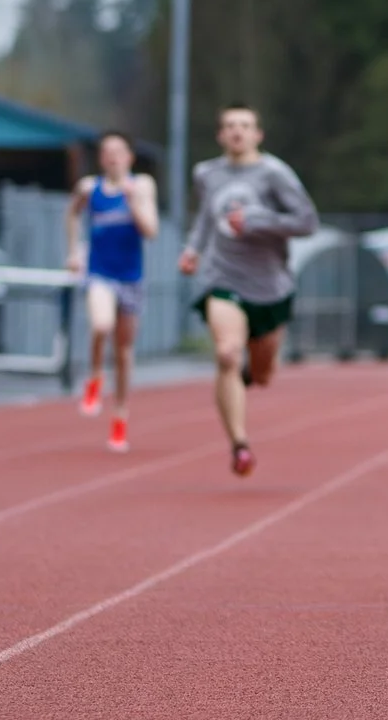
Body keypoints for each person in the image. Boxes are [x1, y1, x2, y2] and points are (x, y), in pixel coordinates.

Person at [178, 104, 319, 477]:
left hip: (270, 284)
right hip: (222, 276)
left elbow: (307, 222)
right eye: (230, 126)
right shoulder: (207, 173)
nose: (237, 132)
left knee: (263, 373)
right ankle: (240, 445)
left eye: (244, 126)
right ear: (220, 135)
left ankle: (248, 377)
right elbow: (207, 218)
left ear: (258, 134)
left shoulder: (274, 174)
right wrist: (192, 249)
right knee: (226, 354)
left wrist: (258, 221)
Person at [62, 131, 159, 453]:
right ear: (102, 159)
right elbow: (72, 214)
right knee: (101, 324)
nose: (113, 156)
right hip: (99, 272)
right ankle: (94, 377)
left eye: (119, 151)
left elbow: (151, 232)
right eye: (107, 152)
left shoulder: (141, 186)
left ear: (130, 157)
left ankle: (120, 414)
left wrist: (132, 203)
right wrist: (74, 251)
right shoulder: (89, 189)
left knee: (124, 351)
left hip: (130, 276)